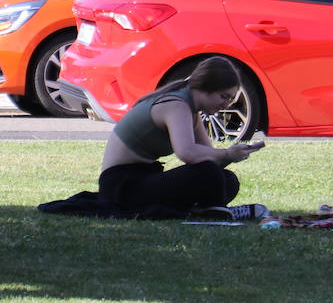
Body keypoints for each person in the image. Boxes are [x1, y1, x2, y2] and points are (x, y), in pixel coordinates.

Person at [96, 56, 266, 217]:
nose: (225, 105)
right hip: (121, 187)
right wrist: (227, 154)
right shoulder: (176, 105)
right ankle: (214, 211)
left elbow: (208, 157)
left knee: (227, 179)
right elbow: (188, 153)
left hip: (140, 180)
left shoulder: (191, 110)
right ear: (205, 87)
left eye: (229, 100)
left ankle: (209, 210)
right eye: (223, 97)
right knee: (209, 174)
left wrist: (234, 154)